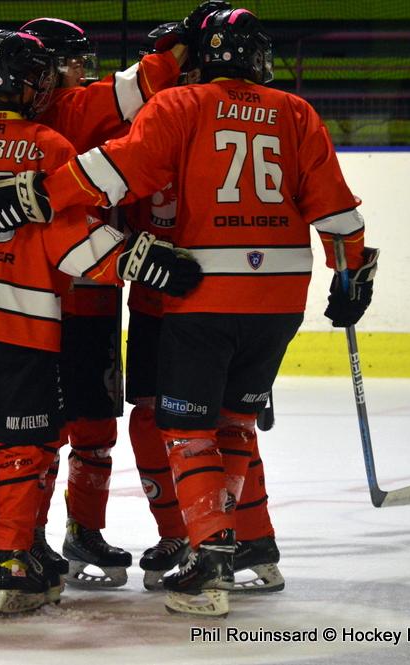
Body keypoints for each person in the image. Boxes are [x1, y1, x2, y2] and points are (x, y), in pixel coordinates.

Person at [0, 8, 378, 618]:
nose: (81, 72)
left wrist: (29, 197)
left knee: (163, 425)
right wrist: (352, 271)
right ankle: (222, 539)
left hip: (169, 292)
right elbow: (335, 212)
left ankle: (199, 543)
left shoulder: (163, 107)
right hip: (232, 293)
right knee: (211, 422)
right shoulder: (289, 110)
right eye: (71, 61)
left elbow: (115, 167)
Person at [0, 29, 201, 616]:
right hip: (32, 316)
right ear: (36, 79)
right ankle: (13, 554)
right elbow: (72, 241)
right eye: (64, 65)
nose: (75, 73)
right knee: (25, 443)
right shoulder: (51, 139)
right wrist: (140, 261)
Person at [17, 13, 191, 589]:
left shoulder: (59, 114)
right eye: (72, 63)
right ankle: (30, 537)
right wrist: (182, 47)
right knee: (48, 428)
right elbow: (140, 83)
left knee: (88, 426)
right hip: (60, 297)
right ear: (44, 68)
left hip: (91, 294)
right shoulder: (68, 110)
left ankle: (74, 533)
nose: (81, 73)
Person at [125, 21, 285, 595]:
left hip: (204, 298)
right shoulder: (159, 112)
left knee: (220, 424)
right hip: (159, 298)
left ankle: (240, 538)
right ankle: (186, 533)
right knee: (169, 419)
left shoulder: (208, 112)